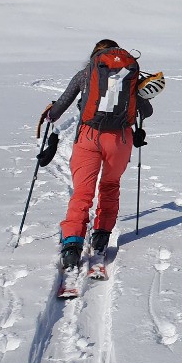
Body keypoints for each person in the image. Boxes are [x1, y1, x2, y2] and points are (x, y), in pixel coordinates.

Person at [42, 39, 154, 269]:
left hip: (89, 137)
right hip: (120, 140)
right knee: (110, 185)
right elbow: (147, 111)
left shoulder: (86, 74)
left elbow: (61, 105)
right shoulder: (128, 75)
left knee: (82, 193)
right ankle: (101, 235)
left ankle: (72, 244)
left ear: (95, 57)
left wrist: (50, 115)